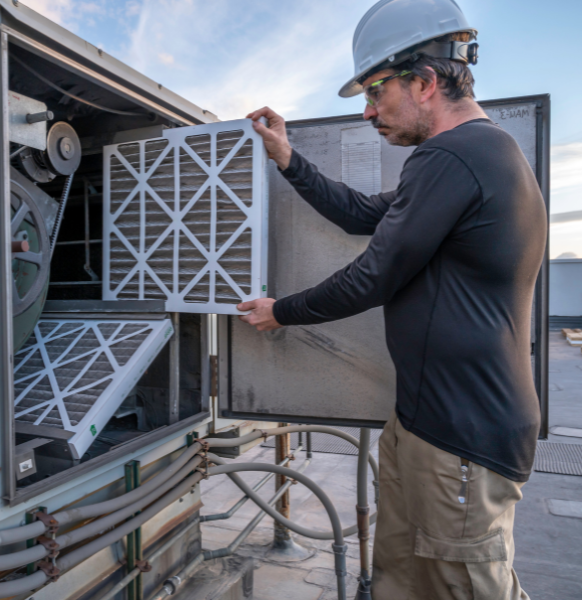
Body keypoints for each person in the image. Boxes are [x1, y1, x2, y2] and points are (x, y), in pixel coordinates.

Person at [238, 0, 546, 598]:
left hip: (463, 434)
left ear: (426, 83)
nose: (368, 109)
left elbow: (373, 275)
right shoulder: (460, 161)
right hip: (426, 423)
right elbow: (360, 215)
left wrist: (283, 311)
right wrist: (287, 158)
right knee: (404, 582)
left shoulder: (458, 156)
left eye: (377, 90)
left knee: (464, 584)